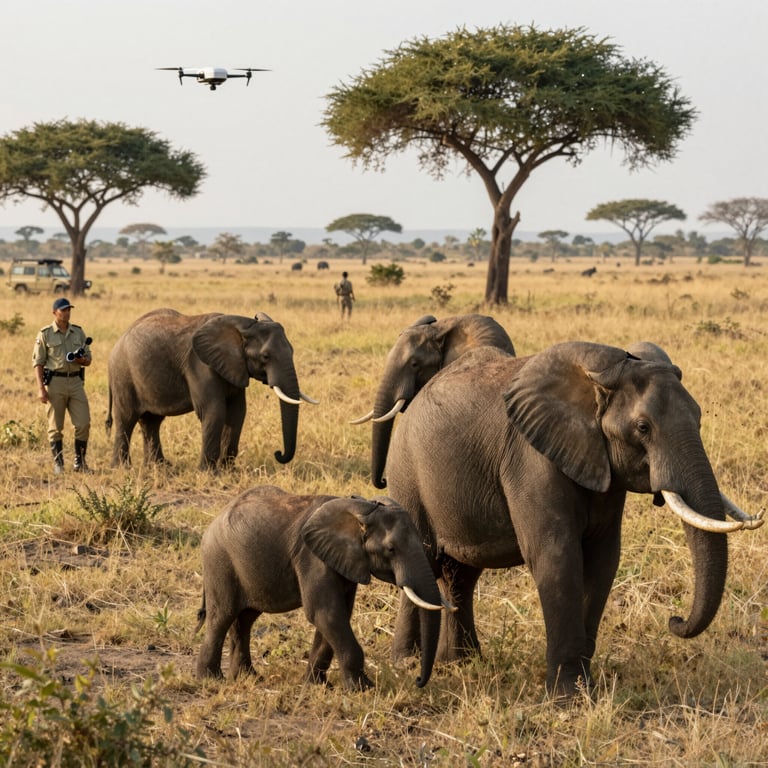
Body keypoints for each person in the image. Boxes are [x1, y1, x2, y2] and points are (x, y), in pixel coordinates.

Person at [33, 297, 92, 474]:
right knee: (55, 426)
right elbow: (38, 363)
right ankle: (58, 463)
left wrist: (82, 359)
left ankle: (80, 463)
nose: (67, 313)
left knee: (83, 423)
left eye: (69, 309)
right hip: (55, 383)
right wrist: (41, 388)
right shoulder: (45, 334)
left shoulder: (78, 332)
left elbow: (88, 360)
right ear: (54, 312)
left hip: (75, 382)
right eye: (63, 310)